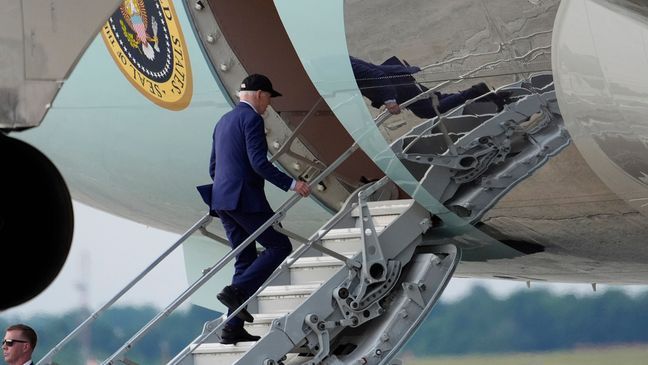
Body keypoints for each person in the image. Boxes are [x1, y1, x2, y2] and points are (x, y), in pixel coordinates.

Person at [208, 74, 311, 345]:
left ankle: (231, 328)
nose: (269, 106)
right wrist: (292, 184)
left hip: (222, 200)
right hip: (244, 198)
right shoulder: (252, 119)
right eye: (268, 99)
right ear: (259, 95)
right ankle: (236, 290)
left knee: (245, 259)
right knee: (279, 247)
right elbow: (258, 163)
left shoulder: (224, 121)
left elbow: (213, 167)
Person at [350, 56, 508, 118]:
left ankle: (474, 92)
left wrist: (389, 100)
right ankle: (489, 97)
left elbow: (376, 75)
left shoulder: (338, 63)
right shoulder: (336, 61)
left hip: (397, 84)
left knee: (427, 110)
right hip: (397, 81)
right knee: (436, 99)